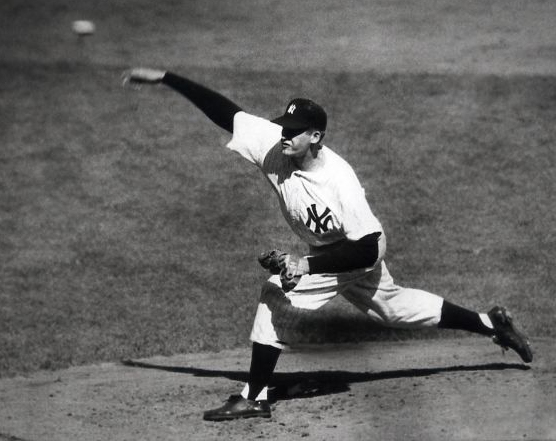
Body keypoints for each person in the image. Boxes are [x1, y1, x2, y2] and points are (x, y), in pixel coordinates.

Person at [123, 68, 533, 422]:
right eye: (283, 126)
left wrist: (306, 266)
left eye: (293, 131)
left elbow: (369, 249)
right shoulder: (276, 144)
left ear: (316, 135)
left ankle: (255, 398)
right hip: (332, 248)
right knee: (392, 306)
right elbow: (226, 113)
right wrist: (167, 79)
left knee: (276, 292)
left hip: (355, 249)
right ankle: (489, 322)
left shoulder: (340, 183)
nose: (284, 134)